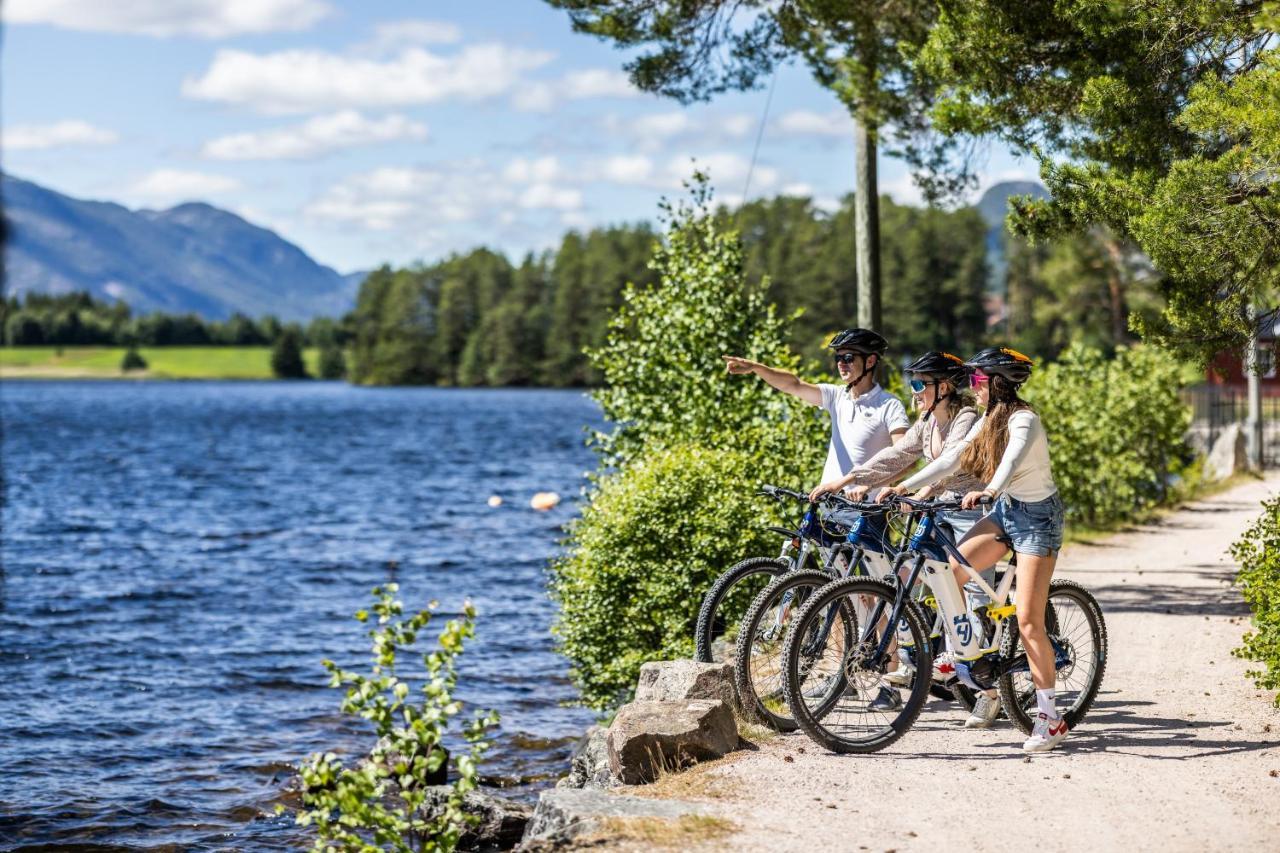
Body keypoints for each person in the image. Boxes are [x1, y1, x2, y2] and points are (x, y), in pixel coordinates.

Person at [881, 347, 1068, 752]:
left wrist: (989, 490)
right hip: (1006, 512)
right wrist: (905, 486)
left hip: (1037, 518)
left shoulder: (1024, 419)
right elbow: (953, 460)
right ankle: (967, 646)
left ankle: (1050, 718)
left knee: (1029, 622)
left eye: (979, 380)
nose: (974, 388)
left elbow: (1011, 461)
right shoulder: (986, 419)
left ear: (997, 382)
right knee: (954, 570)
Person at [807, 351, 985, 713]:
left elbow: (952, 465)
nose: (914, 391)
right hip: (937, 510)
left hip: (969, 510)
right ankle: (923, 653)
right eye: (912, 384)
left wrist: (915, 491)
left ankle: (985, 682)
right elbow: (897, 454)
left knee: (972, 588)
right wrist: (846, 480)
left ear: (945, 387)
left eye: (920, 384)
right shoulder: (927, 422)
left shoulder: (965, 418)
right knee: (917, 574)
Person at [722, 329, 910, 490]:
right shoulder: (836, 396)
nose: (841, 363)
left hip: (866, 512)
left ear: (870, 362)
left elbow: (905, 460)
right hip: (829, 504)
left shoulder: (889, 405)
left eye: (848, 358)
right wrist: (756, 368)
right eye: (838, 357)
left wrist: (869, 486)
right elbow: (793, 385)